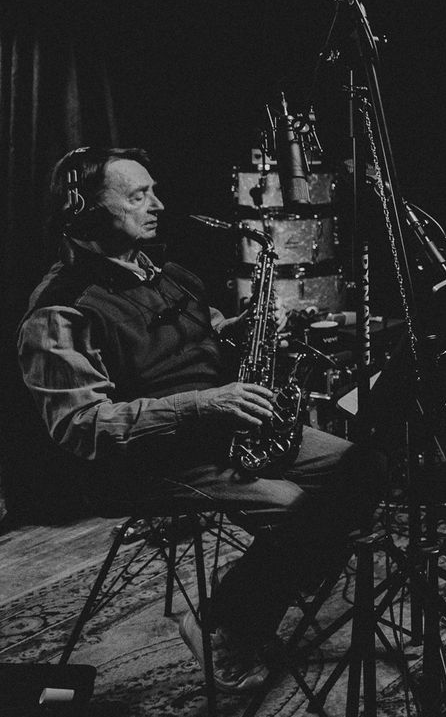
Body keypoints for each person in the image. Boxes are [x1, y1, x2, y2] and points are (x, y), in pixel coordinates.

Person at [15, 146, 387, 694]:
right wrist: (203, 405)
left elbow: (202, 330)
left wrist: (246, 327)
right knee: (298, 510)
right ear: (86, 212)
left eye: (153, 191)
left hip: (221, 432)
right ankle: (222, 625)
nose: (158, 205)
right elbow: (81, 426)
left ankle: (256, 597)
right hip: (145, 461)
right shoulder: (60, 309)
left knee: (362, 467)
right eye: (138, 196)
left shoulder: (167, 273)